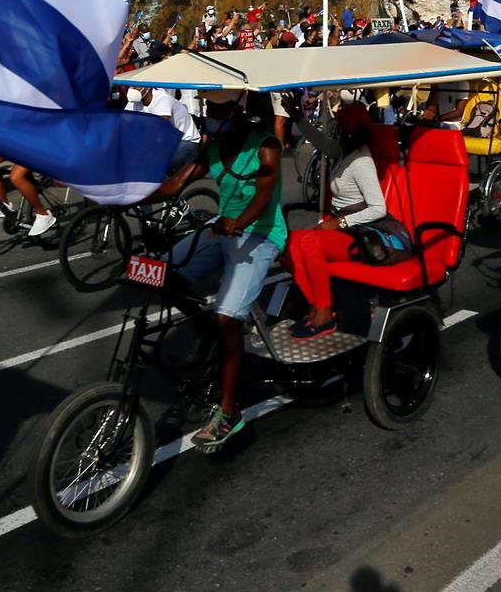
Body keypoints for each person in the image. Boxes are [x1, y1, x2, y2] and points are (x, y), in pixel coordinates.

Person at [147, 88, 288, 452]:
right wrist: (127, 196)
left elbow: (263, 198)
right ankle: (210, 333)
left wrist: (238, 222)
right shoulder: (213, 148)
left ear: (238, 111)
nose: (208, 115)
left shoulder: (266, 144)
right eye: (207, 108)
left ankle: (228, 411)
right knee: (164, 272)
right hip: (222, 228)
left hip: (260, 234)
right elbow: (176, 184)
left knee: (228, 318)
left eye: (216, 109)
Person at [285, 102, 389, 340]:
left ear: (349, 131)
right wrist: (299, 118)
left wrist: (339, 223)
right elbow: (321, 142)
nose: (335, 130)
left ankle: (323, 314)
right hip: (341, 232)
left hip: (358, 236)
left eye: (339, 127)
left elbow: (379, 208)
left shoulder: (361, 161)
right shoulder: (344, 152)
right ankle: (318, 306)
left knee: (309, 243)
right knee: (288, 243)